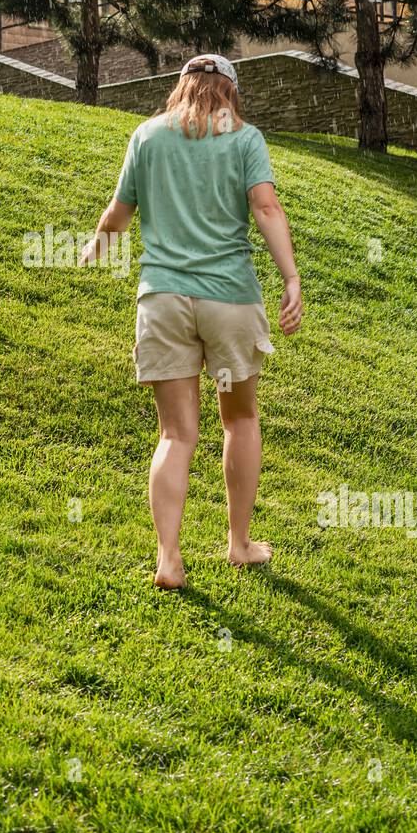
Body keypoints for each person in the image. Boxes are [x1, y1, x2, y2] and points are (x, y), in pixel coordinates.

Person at [79, 53, 302, 589]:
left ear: (181, 87)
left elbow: (118, 212)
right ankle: (239, 544)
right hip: (228, 300)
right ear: (230, 91)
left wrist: (96, 246)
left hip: (164, 301)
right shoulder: (245, 139)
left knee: (176, 433)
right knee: (240, 420)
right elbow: (266, 209)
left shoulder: (148, 137)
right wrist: (290, 278)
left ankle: (169, 559)